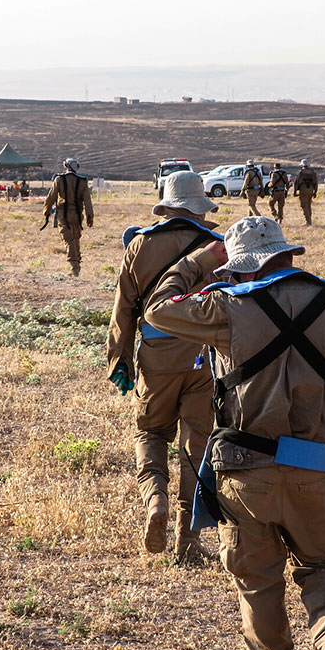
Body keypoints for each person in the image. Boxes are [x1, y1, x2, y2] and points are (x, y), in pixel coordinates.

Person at [146, 216, 325, 650]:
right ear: (289, 256)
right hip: (317, 470)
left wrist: (198, 260)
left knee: (257, 580)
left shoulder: (227, 307)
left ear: (244, 268)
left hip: (244, 475)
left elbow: (157, 308)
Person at [107, 171, 222, 560]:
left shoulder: (139, 244)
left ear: (167, 205)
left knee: (151, 433)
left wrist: (118, 358)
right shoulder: (215, 246)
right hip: (204, 358)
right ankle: (188, 541)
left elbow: (124, 307)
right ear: (198, 206)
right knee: (197, 444)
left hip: (155, 356)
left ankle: (156, 501)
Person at [43, 158, 94, 277]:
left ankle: (74, 267)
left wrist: (46, 210)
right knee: (75, 238)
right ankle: (77, 264)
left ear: (66, 166)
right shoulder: (82, 181)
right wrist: (90, 216)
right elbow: (87, 201)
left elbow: (51, 196)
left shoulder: (59, 179)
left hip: (63, 215)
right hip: (77, 215)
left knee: (68, 239)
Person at [292, 159, 318, 225]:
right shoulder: (313, 172)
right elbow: (316, 183)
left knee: (304, 205)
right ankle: (309, 220)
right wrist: (315, 192)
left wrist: (295, 191)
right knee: (308, 205)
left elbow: (296, 183)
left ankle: (308, 221)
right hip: (311, 189)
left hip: (303, 189)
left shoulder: (301, 172)